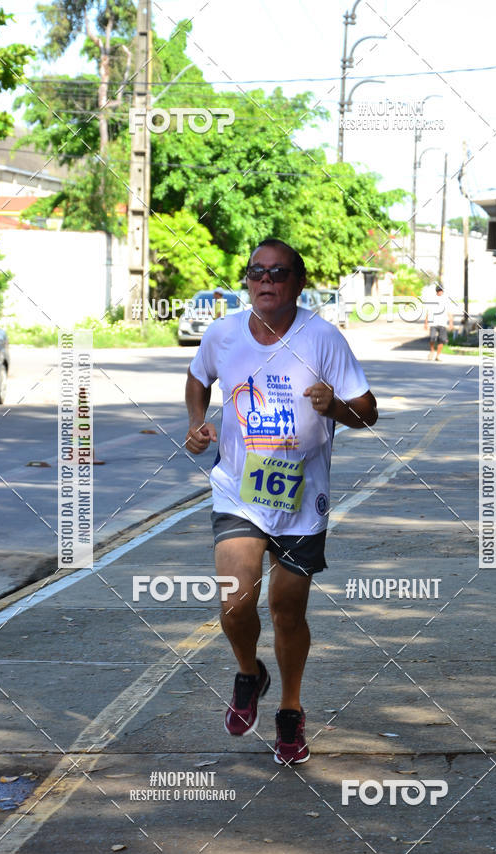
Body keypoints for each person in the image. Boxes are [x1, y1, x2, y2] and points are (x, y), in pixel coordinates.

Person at [185, 238, 377, 765]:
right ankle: (249, 673)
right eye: (256, 272)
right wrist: (196, 422)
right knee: (235, 601)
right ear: (247, 280)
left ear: (298, 281)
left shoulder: (323, 338)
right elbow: (198, 378)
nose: (265, 281)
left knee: (287, 611)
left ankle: (290, 710)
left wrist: (334, 406)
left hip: (302, 498)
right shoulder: (223, 334)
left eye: (278, 272)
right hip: (238, 491)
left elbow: (367, 411)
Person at [424, 284, 453, 360]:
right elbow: (428, 312)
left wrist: (451, 323)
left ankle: (438, 355)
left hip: (443, 323)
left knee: (441, 340)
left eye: (441, 291)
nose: (440, 292)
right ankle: (432, 351)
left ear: (443, 291)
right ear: (436, 291)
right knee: (432, 338)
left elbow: (449, 312)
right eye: (438, 291)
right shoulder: (432, 300)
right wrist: (426, 323)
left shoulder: (446, 301)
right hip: (433, 322)